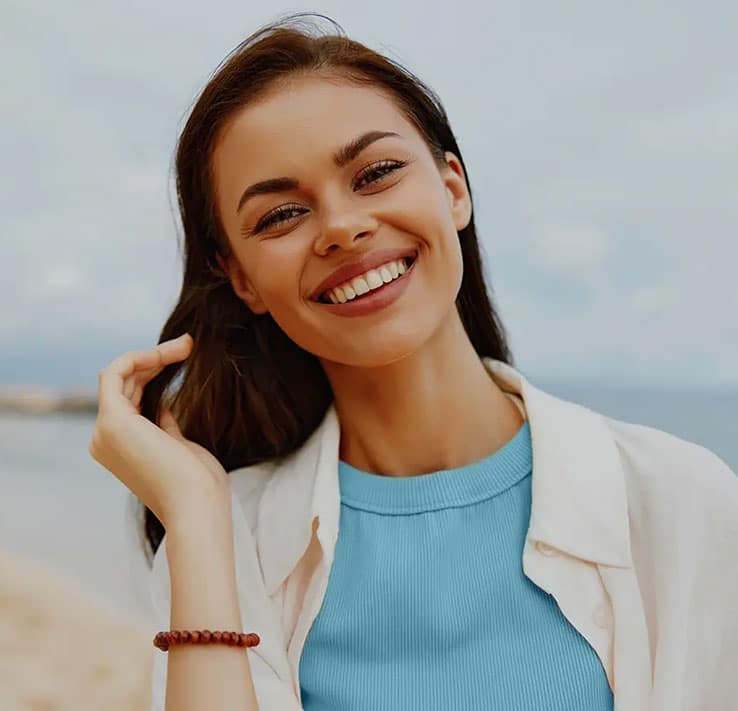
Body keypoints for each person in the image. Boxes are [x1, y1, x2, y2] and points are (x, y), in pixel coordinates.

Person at [87, 13, 738, 711]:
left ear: (453, 187)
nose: (342, 227)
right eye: (280, 215)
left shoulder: (678, 500)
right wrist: (192, 509)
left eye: (376, 172)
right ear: (241, 278)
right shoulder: (220, 539)